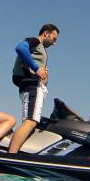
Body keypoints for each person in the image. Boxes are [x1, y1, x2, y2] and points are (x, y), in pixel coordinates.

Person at [8, 24, 59, 153]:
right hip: (31, 86)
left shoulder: (40, 49)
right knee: (30, 121)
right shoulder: (35, 41)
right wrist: (36, 68)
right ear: (46, 33)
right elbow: (20, 48)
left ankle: (16, 152)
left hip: (33, 86)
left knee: (31, 122)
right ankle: (11, 155)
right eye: (54, 39)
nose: (54, 43)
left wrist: (44, 75)